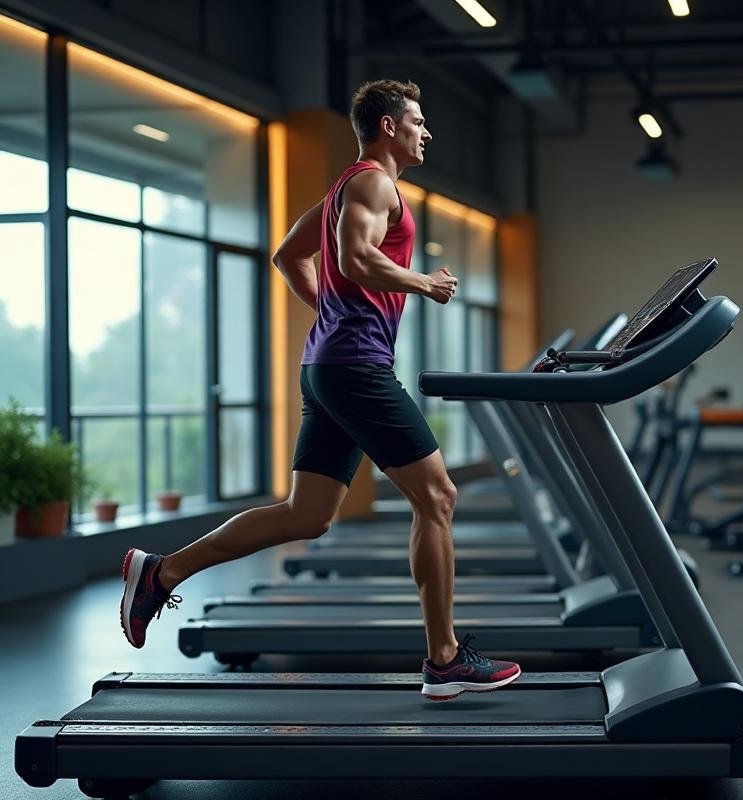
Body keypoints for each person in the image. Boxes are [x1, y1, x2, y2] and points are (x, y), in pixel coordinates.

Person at [118, 79, 520, 701]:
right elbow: (356, 259)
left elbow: (288, 255)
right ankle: (444, 660)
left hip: (330, 364)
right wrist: (423, 284)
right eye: (417, 120)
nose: (426, 131)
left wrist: (330, 313)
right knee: (437, 496)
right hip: (354, 367)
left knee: (307, 515)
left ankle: (161, 572)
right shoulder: (371, 184)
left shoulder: (343, 190)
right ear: (388, 127)